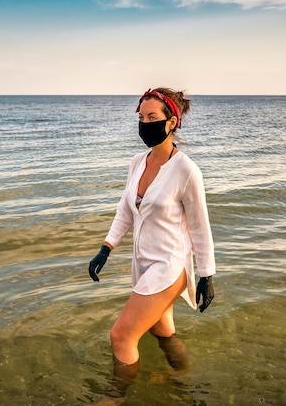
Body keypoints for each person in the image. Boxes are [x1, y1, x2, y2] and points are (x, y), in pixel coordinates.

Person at [88, 87, 216, 401]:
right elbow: (125, 210)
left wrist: (206, 275)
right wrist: (106, 247)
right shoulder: (137, 162)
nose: (145, 123)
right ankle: (185, 383)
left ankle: (115, 396)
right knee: (163, 332)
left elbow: (200, 227)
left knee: (121, 335)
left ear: (171, 122)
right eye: (142, 117)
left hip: (168, 266)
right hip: (143, 264)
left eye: (153, 117)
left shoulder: (186, 170)